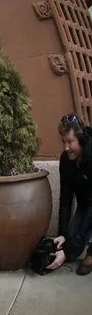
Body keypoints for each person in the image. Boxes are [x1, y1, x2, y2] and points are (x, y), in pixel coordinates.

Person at [45, 114, 92, 275]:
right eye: (63, 142)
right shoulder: (66, 160)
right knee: (70, 250)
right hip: (85, 204)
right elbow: (65, 200)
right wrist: (63, 235)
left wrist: (69, 249)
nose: (66, 147)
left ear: (81, 138)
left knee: (73, 248)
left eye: (70, 142)